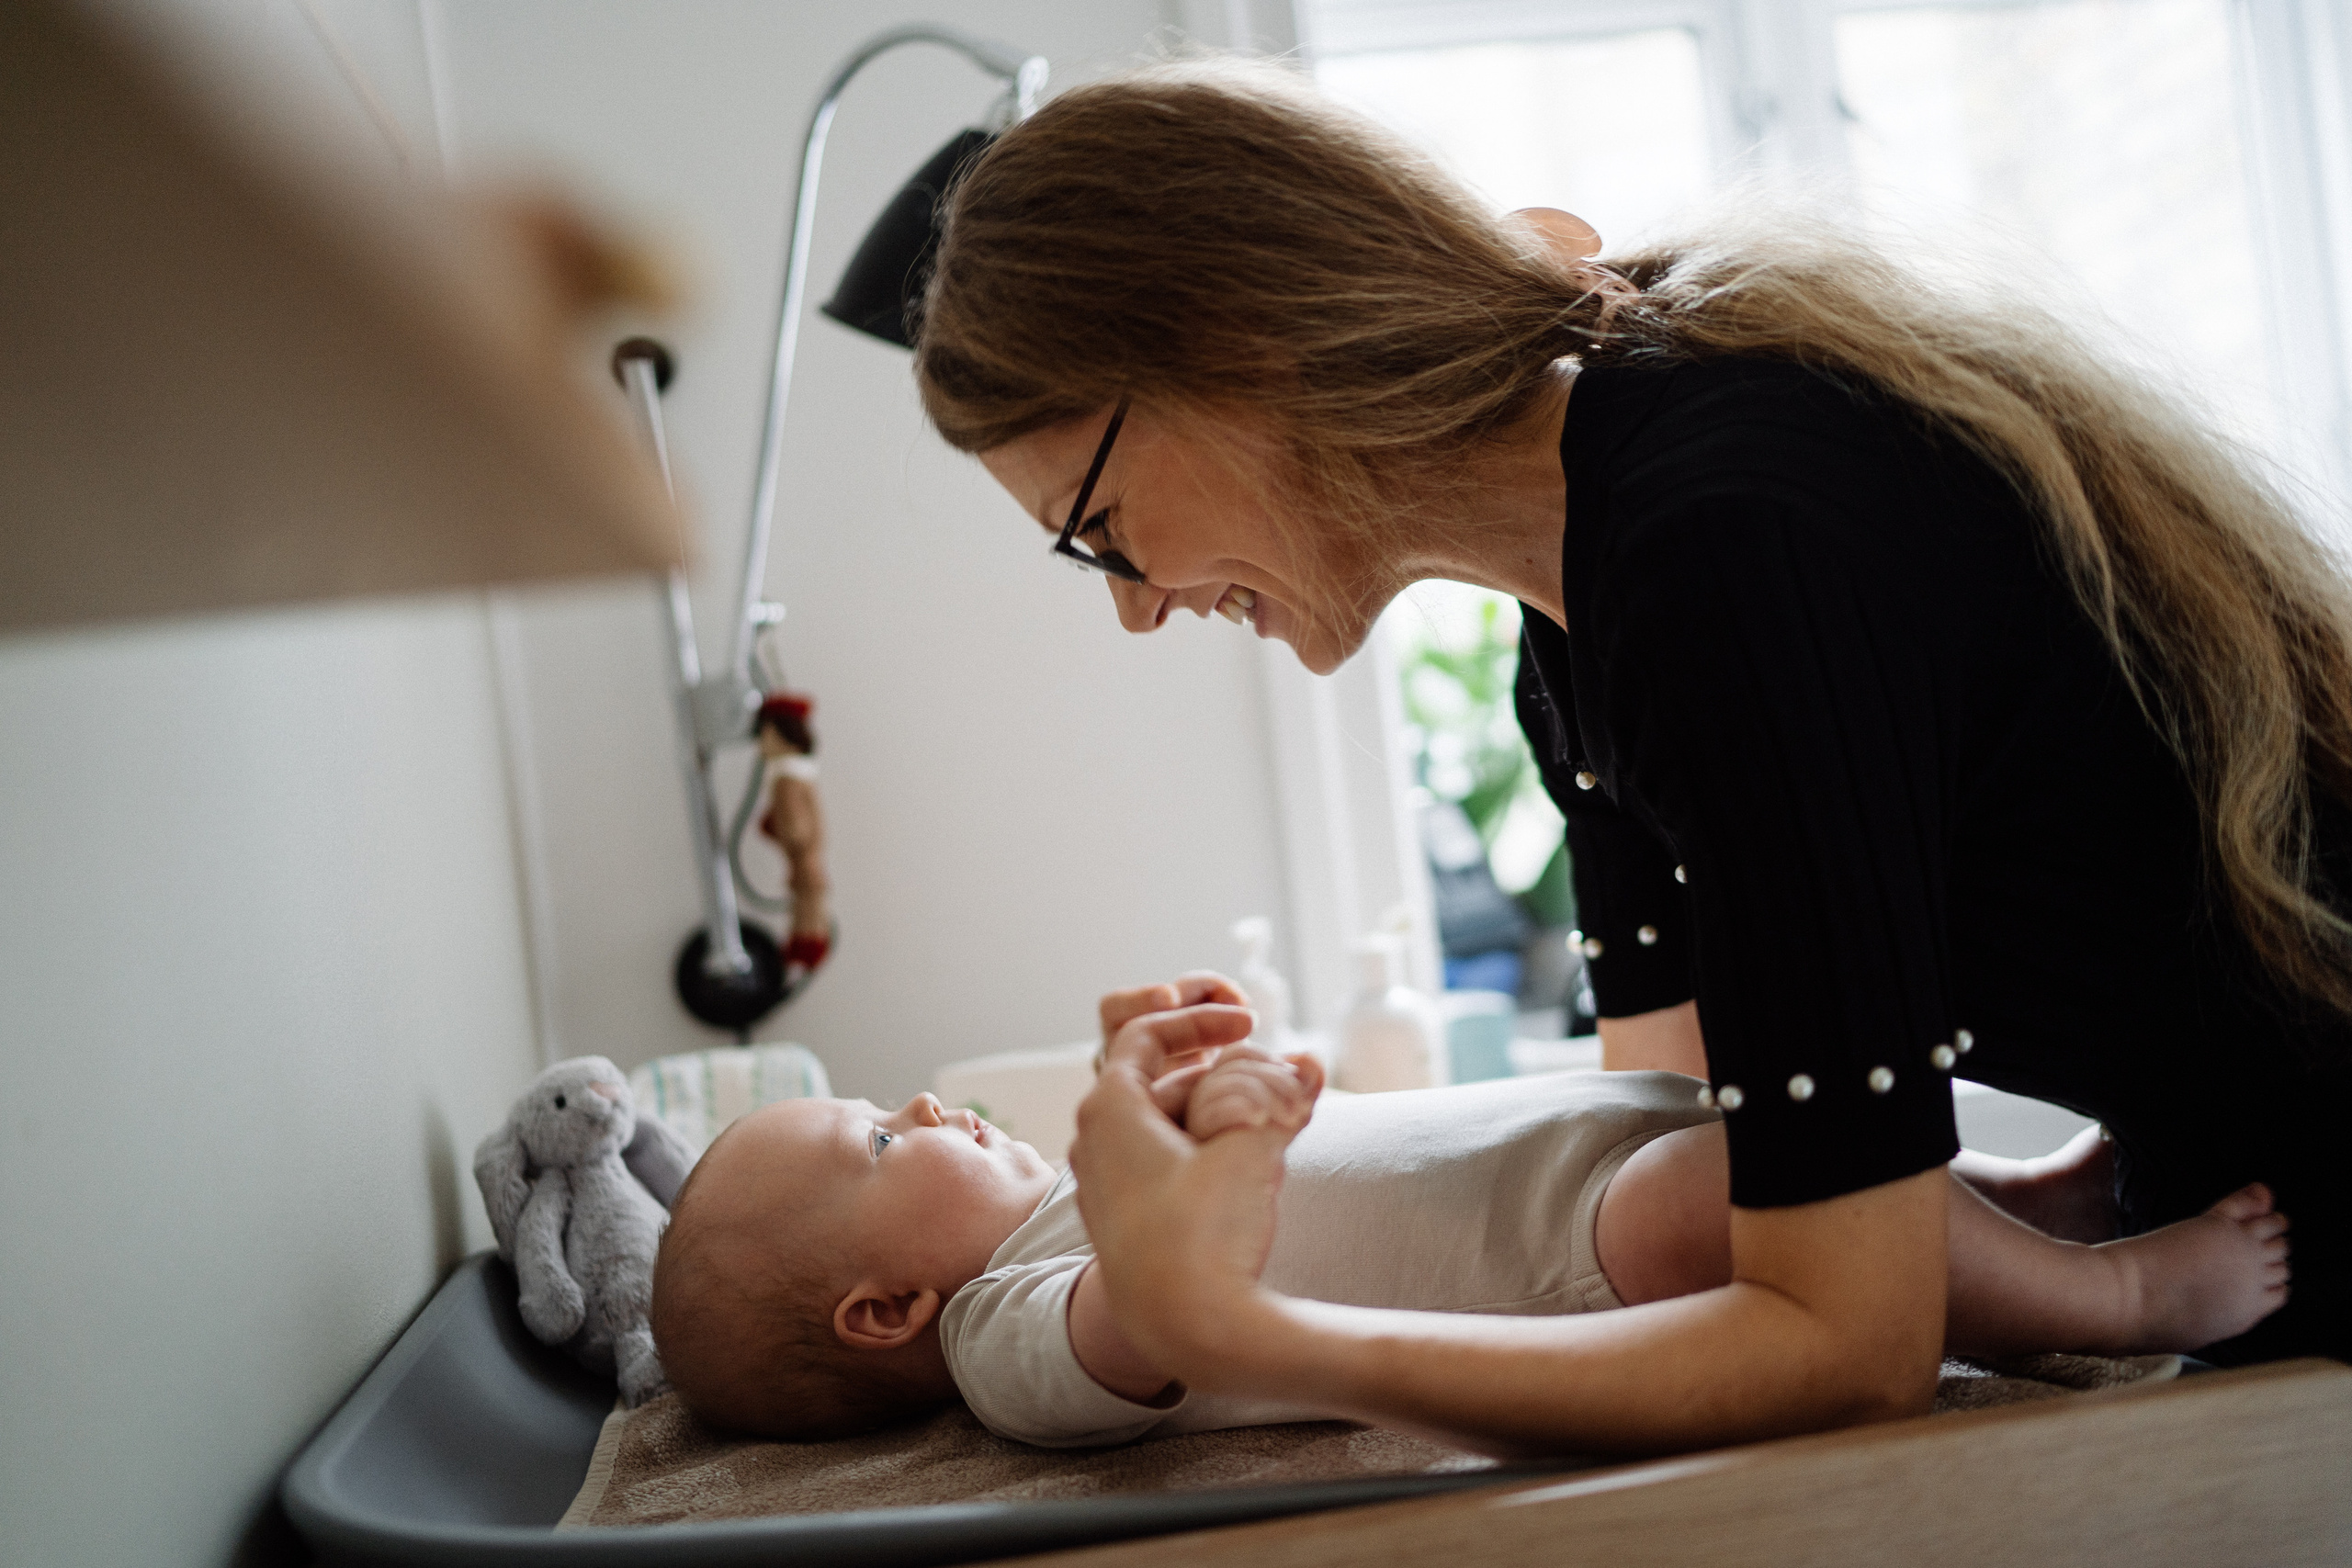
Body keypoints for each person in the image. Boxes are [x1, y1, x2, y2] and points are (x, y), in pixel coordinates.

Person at [911, 58, 2351, 1453]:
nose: (1134, 606)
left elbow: (1847, 1348)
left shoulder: (1719, 545)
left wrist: (1234, 1328)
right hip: (2224, 1205)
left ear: (1232, 347)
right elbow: (1673, 1131)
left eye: (1094, 529)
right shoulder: (1579, 623)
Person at [648, 976, 2287, 1443]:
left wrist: (1158, 1107)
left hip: (1583, 1143)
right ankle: (2115, 1303)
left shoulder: (1063, 1203)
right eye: (879, 1137)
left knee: (1772, 1123)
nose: (924, 1104)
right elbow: (1150, 1318)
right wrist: (1202, 1168)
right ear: (885, 1313)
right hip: (1575, 1259)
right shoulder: (1009, 1341)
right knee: (1750, 1187)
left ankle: (2017, 1203)